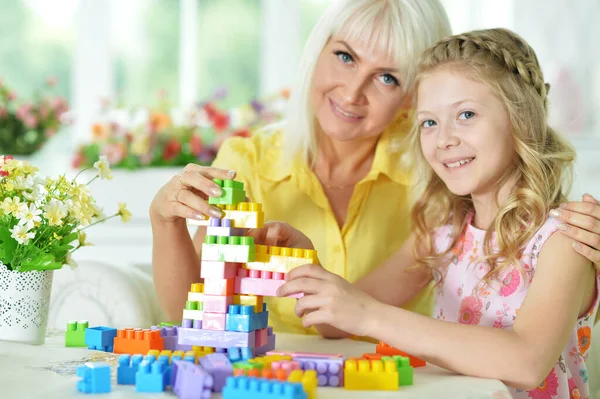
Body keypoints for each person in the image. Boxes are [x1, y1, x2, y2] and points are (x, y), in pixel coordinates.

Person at [149, 0, 600, 335]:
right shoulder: (248, 161)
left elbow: (525, 228)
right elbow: (191, 314)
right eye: (345, 56)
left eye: (388, 77)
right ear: (317, 51)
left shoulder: (440, 181)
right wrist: (164, 222)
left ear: (412, 94)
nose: (351, 93)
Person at [277, 28, 599, 397]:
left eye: (465, 114)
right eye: (429, 122)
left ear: (520, 118)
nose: (444, 138)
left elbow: (526, 362)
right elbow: (336, 323)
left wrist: (367, 314)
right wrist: (307, 269)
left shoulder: (565, 240)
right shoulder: (442, 233)